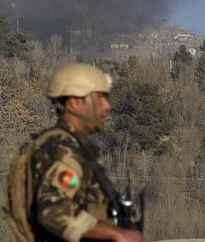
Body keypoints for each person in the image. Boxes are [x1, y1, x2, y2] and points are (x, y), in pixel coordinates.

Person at [12, 63, 144, 242]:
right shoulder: (63, 150)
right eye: (100, 98)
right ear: (75, 102)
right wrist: (116, 234)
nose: (107, 106)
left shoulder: (72, 146)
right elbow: (54, 211)